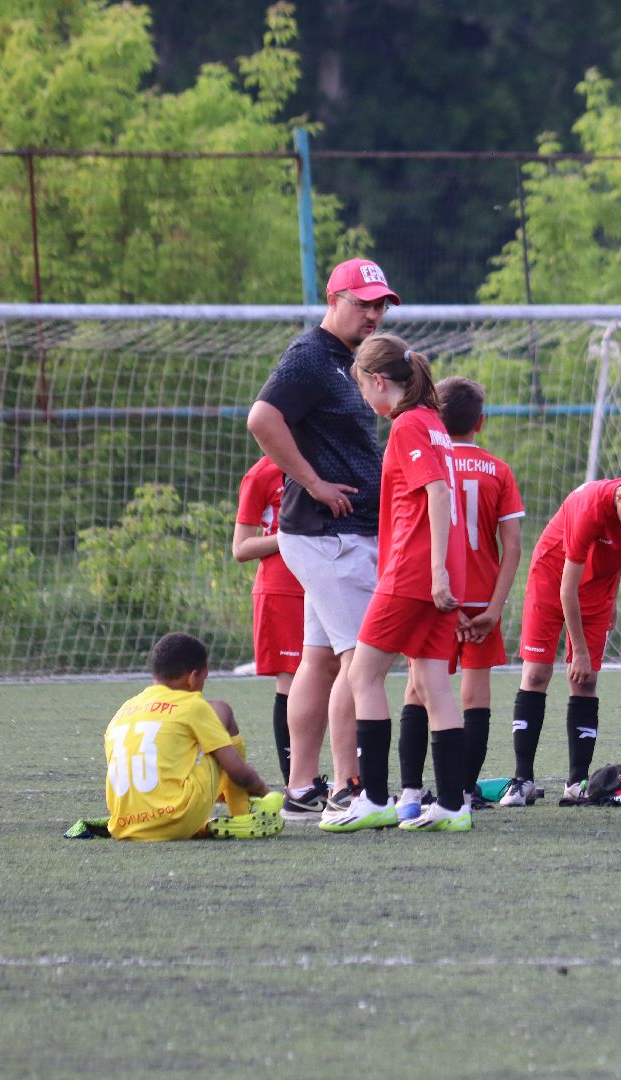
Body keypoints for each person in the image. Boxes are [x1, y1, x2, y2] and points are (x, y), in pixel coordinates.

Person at [246, 258, 397, 822]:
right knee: (364, 658)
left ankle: (303, 786)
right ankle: (347, 785)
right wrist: (311, 481)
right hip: (329, 531)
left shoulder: (345, 361)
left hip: (336, 532)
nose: (374, 313)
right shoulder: (311, 355)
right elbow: (262, 419)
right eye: (363, 302)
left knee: (321, 660)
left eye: (380, 304)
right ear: (334, 299)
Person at [323, 333, 470, 833]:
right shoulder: (434, 423)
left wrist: (434, 572)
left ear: (378, 381)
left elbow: (434, 492)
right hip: (437, 569)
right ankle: (453, 805)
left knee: (363, 676)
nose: (363, 396)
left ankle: (376, 799)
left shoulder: (409, 424)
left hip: (412, 571)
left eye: (361, 386)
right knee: (432, 683)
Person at [394, 376, 525, 821]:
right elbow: (513, 547)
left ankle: (410, 792)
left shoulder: (431, 462)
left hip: (434, 590)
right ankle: (463, 793)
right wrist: (493, 608)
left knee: (417, 690)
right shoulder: (498, 470)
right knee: (474, 697)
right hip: (481, 596)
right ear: (480, 422)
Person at [498, 468, 621, 807]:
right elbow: (566, 589)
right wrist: (579, 651)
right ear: (620, 496)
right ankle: (523, 781)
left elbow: (617, 556)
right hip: (553, 579)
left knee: (586, 681)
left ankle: (577, 782)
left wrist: (612, 597)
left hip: (597, 589)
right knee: (536, 673)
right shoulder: (591, 509)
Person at [103, 632, 282, 841]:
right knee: (221, 711)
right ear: (192, 677)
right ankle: (242, 814)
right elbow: (238, 772)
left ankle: (215, 807)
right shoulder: (193, 706)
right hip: (177, 817)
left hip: (124, 826)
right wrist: (265, 792)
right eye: (203, 679)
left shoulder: (123, 710)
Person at [231, 455, 305, 786]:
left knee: (340, 679)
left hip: (329, 582)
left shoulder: (328, 456)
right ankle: (298, 783)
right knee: (291, 682)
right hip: (283, 592)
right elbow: (241, 547)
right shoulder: (262, 474)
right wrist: (291, 537)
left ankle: (348, 780)